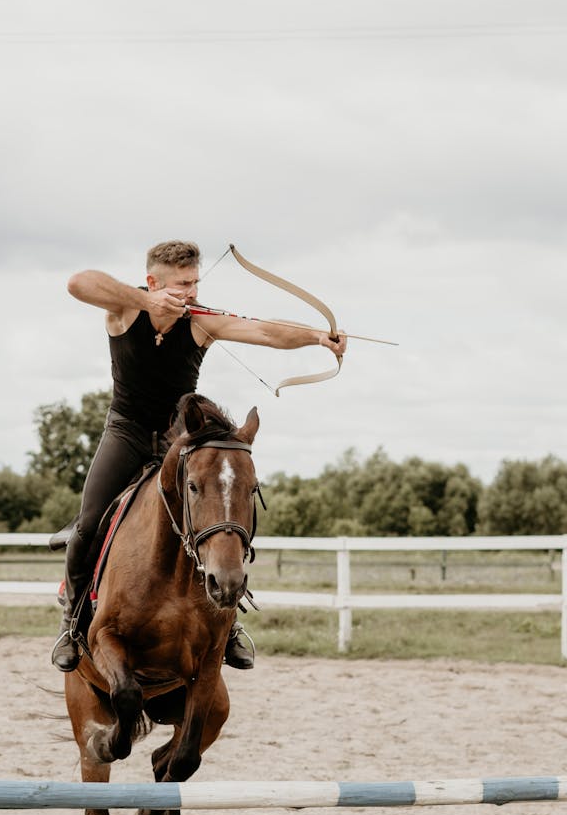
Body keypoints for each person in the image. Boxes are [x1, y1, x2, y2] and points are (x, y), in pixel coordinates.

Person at [52, 240, 347, 672]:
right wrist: (146, 299)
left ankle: (228, 627)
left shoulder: (202, 323)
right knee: (90, 523)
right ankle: (73, 623)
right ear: (154, 281)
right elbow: (79, 283)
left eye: (194, 283)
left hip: (182, 439)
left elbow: (265, 331)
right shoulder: (124, 310)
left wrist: (317, 337)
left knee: (215, 521)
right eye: (181, 284)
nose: (190, 292)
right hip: (127, 433)